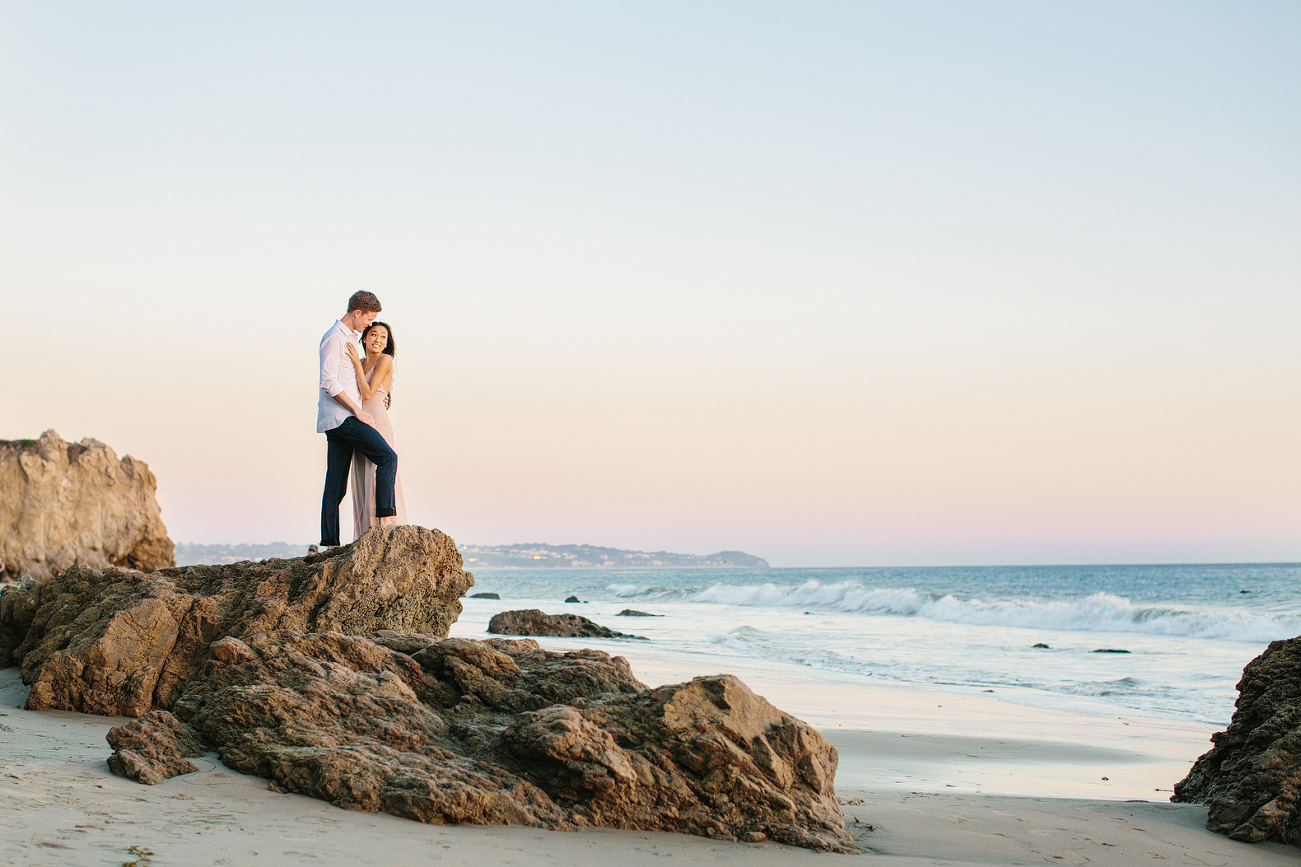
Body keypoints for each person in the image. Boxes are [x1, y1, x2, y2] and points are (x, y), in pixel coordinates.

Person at [318, 291, 398, 547]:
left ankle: (330, 542)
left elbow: (373, 377)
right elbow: (328, 381)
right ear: (357, 313)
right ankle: (386, 519)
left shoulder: (350, 338)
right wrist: (358, 410)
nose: (369, 325)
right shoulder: (334, 339)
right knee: (388, 457)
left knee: (336, 485)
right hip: (344, 417)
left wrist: (386, 395)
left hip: (338, 418)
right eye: (369, 320)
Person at [346, 321, 407, 538]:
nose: (378, 340)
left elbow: (368, 393)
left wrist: (355, 363)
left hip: (377, 421)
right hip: (358, 422)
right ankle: (365, 531)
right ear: (364, 338)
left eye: (383, 336)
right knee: (363, 473)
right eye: (373, 334)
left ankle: (384, 522)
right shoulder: (360, 362)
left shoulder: (385, 360)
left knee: (377, 471)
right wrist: (356, 362)